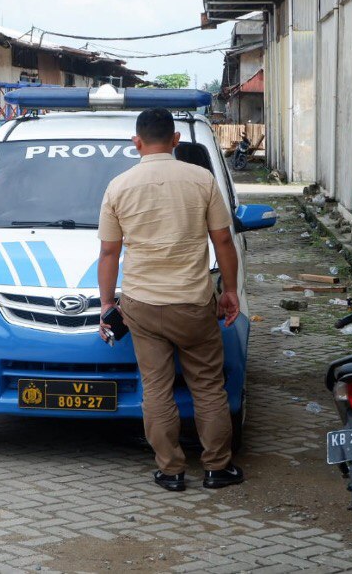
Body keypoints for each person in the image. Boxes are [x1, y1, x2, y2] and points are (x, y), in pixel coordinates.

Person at [96, 108, 244, 492]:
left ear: (137, 143)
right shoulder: (201, 180)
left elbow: (109, 253)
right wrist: (230, 291)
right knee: (209, 386)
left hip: (141, 305)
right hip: (193, 303)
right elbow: (223, 241)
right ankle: (216, 467)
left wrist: (106, 305)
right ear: (176, 140)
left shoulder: (119, 186)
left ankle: (171, 470)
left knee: (156, 388)